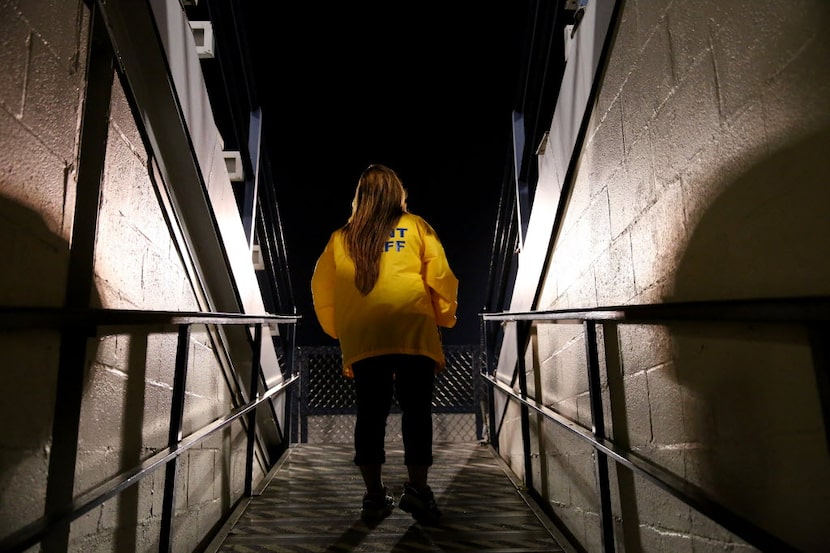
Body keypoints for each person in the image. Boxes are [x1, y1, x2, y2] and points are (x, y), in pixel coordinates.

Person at [310, 164, 459, 525]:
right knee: (417, 412)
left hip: (364, 333)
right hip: (410, 325)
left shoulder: (342, 237)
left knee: (371, 414)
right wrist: (444, 315)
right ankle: (419, 491)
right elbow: (440, 276)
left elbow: (322, 289)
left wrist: (339, 328)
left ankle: (374, 497)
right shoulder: (416, 226)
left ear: (360, 196)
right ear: (398, 193)